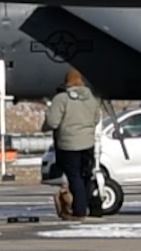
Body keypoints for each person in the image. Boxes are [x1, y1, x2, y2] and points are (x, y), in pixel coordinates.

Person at [42, 69, 105, 219]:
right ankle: (87, 206)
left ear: (67, 82)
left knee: (74, 177)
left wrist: (45, 125)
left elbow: (52, 122)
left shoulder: (62, 99)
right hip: (88, 144)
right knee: (85, 176)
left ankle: (79, 211)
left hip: (68, 144)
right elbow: (96, 119)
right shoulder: (91, 99)